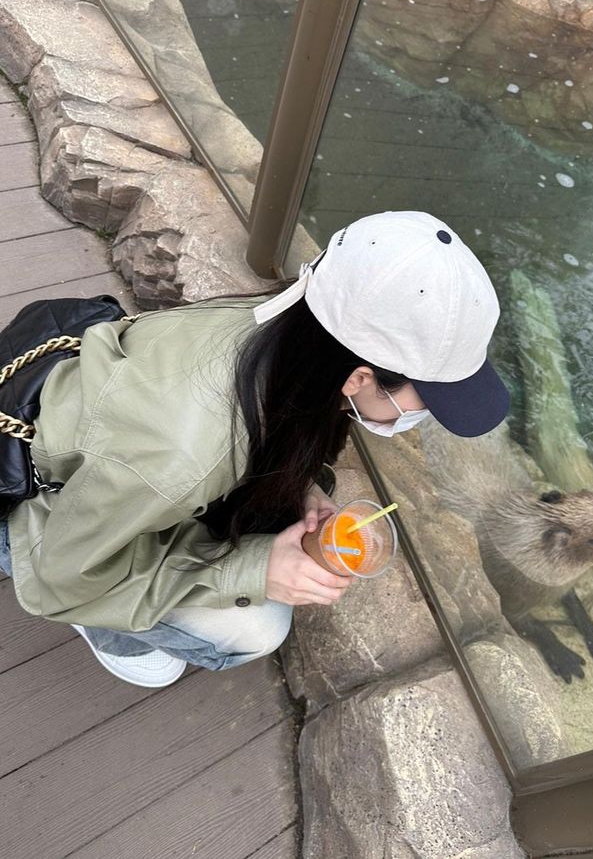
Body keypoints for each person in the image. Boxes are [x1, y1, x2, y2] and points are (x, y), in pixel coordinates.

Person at [0, 211, 509, 688]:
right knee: (259, 626)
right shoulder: (186, 454)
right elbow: (60, 580)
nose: (426, 416)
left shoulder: (281, 326)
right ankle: (109, 629)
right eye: (431, 395)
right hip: (57, 529)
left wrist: (304, 487)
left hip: (111, 468)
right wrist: (254, 570)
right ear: (359, 377)